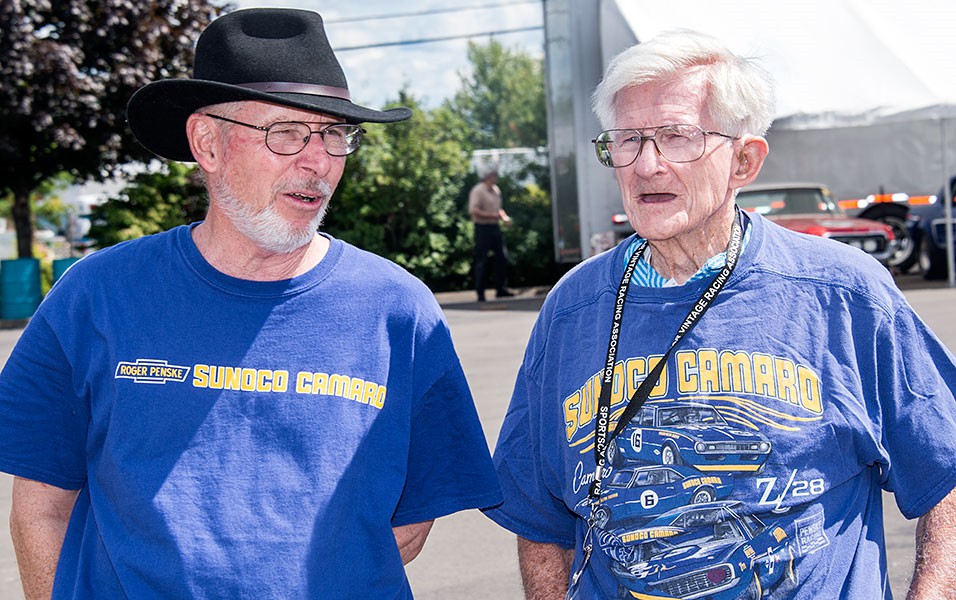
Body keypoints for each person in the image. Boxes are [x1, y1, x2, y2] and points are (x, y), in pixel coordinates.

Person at [0, 8, 501, 599]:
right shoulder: (96, 295)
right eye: (286, 132)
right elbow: (41, 507)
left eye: (335, 135)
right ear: (207, 143)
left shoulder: (399, 310)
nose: (318, 161)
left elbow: (410, 524)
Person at [485, 29, 956, 599]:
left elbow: (945, 472)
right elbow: (539, 514)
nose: (646, 165)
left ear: (745, 161)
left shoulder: (843, 294)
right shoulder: (572, 309)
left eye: (677, 137)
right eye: (627, 139)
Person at [469, 164, 514, 301]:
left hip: (495, 227)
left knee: (502, 257)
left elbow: (499, 209)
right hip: (482, 228)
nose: (496, 178)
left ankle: (501, 288)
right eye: (494, 175)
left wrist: (504, 217)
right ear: (488, 177)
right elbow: (474, 211)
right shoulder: (478, 191)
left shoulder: (496, 190)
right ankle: (480, 292)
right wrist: (492, 215)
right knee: (482, 260)